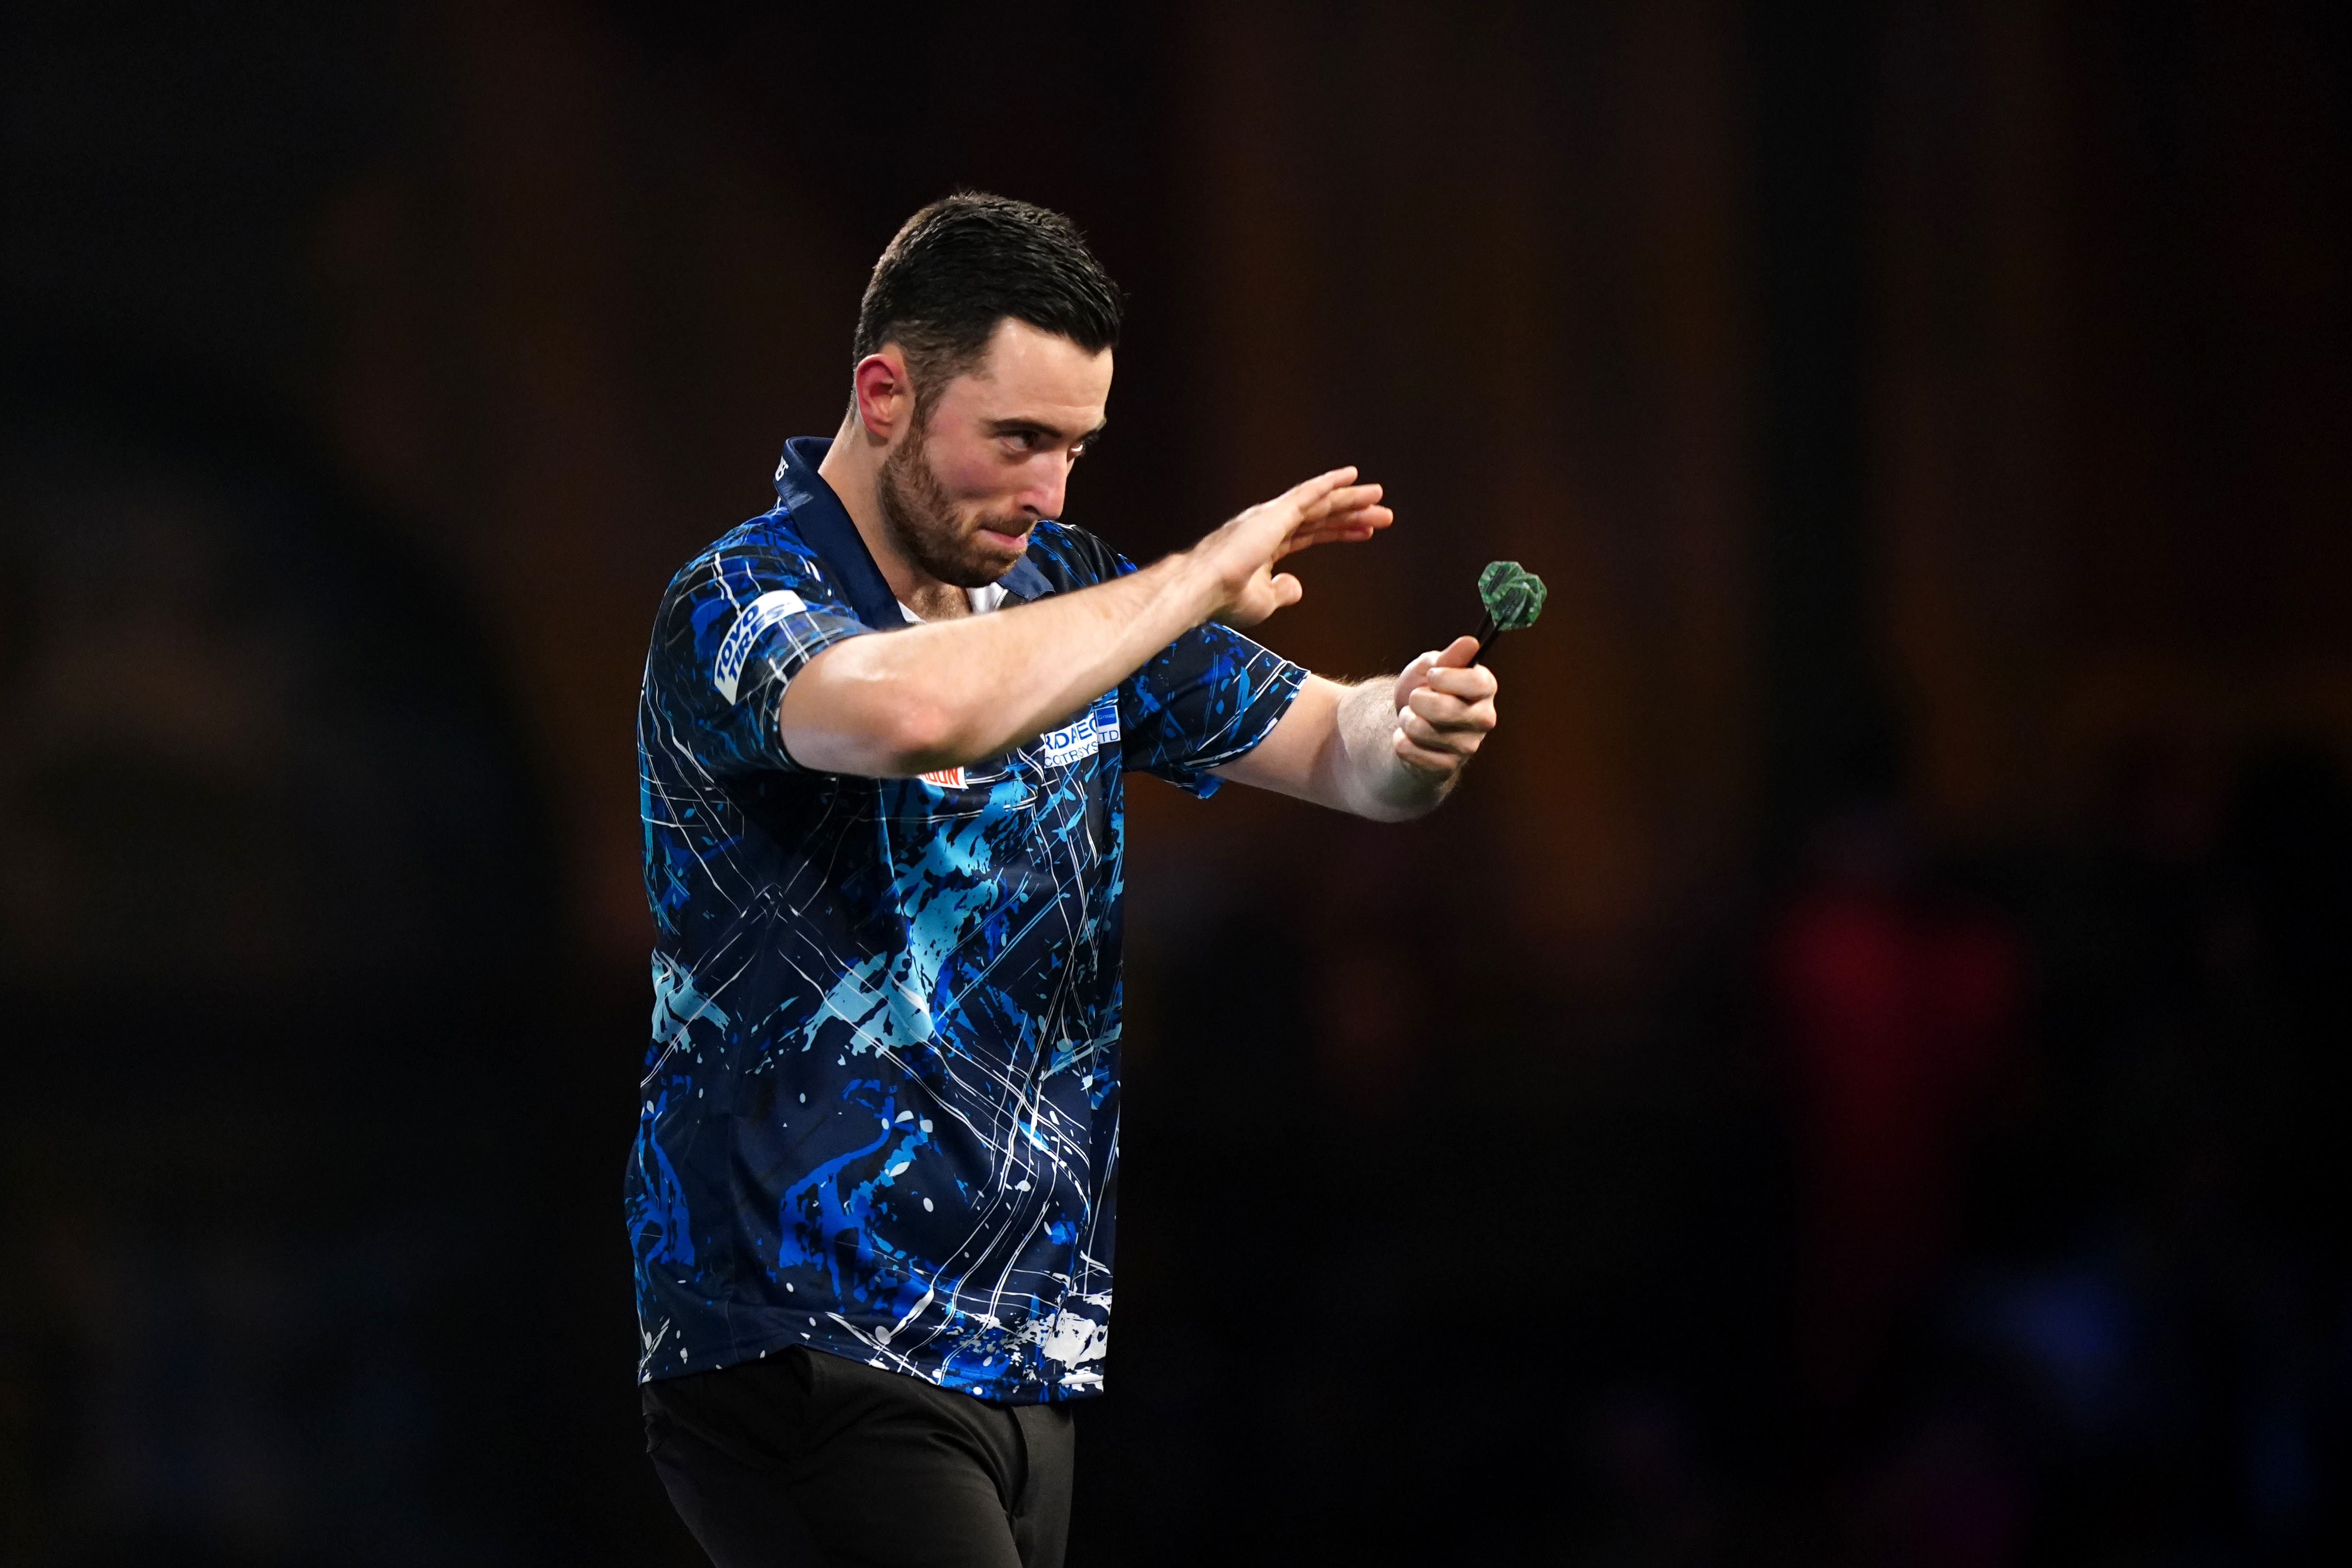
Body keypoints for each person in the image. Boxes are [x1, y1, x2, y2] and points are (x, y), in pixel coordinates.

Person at [626, 192, 1501, 1568]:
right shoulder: (743, 598)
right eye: (1019, 441)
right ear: (886, 394)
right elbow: (918, 716)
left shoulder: (1075, 590)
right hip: (801, 1338)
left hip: (1028, 1352)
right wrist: (1199, 575)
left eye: (1077, 449)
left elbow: (1344, 755)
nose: (1049, 493)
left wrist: (1409, 731)